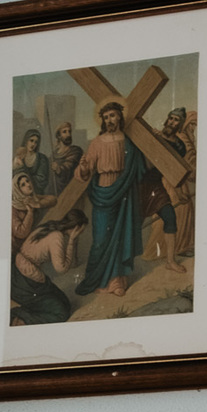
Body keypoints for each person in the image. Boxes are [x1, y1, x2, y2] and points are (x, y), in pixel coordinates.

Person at [74, 101, 149, 297]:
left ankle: (117, 281)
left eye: (113, 116)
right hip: (103, 194)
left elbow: (140, 166)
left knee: (120, 236)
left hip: (124, 192)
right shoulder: (97, 143)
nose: (109, 120)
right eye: (106, 117)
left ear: (120, 117)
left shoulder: (128, 142)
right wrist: (82, 167)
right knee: (101, 239)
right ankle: (98, 279)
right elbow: (87, 169)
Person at [11, 207, 87, 326]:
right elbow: (61, 268)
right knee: (61, 313)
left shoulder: (49, 226)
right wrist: (72, 240)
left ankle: (32, 310)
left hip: (18, 273)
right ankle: (20, 318)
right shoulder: (57, 236)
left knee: (65, 302)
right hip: (26, 282)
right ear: (76, 228)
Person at [139, 106, 193, 272]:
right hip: (140, 185)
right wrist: (154, 140)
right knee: (133, 222)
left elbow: (172, 167)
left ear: (180, 124)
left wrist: (160, 143)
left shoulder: (180, 146)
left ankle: (170, 261)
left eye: (176, 120)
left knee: (169, 217)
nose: (172, 122)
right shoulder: (152, 135)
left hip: (156, 185)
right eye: (171, 118)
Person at [12, 124, 52, 195]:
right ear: (26, 141)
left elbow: (41, 181)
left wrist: (22, 167)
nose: (33, 144)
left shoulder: (42, 159)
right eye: (31, 140)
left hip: (37, 195)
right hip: (20, 195)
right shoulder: (19, 157)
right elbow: (14, 179)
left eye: (36, 142)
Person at [51, 119, 83, 192]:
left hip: (71, 190)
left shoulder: (76, 151)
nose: (68, 134)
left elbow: (69, 166)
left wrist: (59, 169)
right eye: (64, 132)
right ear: (59, 136)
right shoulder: (53, 155)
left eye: (69, 131)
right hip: (57, 191)